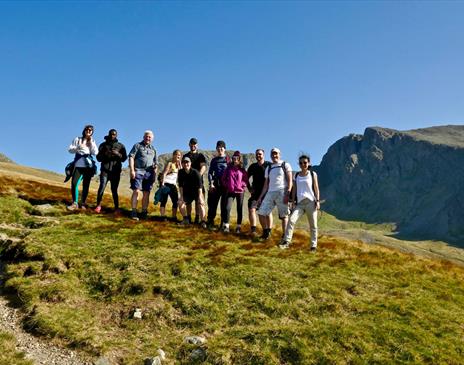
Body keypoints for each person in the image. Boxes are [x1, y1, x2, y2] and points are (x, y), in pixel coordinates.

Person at [280, 155, 320, 250]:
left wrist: (317, 201)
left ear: (308, 163)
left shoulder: (312, 174)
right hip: (300, 204)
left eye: (305, 162)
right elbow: (294, 190)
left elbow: (316, 188)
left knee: (313, 225)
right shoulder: (296, 175)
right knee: (291, 220)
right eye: (301, 163)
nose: (303, 164)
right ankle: (286, 242)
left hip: (310, 202)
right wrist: (293, 201)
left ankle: (313, 246)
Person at [257, 148, 293, 240]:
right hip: (270, 192)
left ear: (279, 154)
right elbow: (266, 184)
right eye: (272, 154)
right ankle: (266, 233)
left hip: (282, 191)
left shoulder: (285, 165)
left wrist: (288, 193)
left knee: (284, 216)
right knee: (261, 212)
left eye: (276, 153)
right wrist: (260, 197)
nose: (274, 155)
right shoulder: (269, 168)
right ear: (270, 155)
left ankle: (285, 237)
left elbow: (290, 181)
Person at [94, 129, 127, 214]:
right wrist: (105, 154)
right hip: (105, 170)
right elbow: (98, 158)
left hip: (115, 172)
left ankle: (116, 208)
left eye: (114, 134)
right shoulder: (103, 145)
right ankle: (98, 206)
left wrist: (117, 154)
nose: (112, 136)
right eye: (111, 134)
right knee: (102, 187)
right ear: (108, 134)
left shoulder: (121, 146)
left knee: (114, 190)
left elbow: (124, 158)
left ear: (116, 135)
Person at [67, 125, 98, 211]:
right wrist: (77, 148)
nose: (88, 131)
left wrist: (91, 142)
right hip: (78, 165)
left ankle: (83, 203)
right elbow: (70, 150)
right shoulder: (77, 139)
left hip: (88, 166)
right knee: (74, 183)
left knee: (86, 185)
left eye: (90, 130)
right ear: (84, 130)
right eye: (87, 129)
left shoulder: (92, 141)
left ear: (92, 132)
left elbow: (95, 152)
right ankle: (75, 203)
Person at [128, 130, 157, 220]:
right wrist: (132, 170)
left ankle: (144, 212)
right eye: (146, 136)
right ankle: (133, 211)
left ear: (152, 139)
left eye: (150, 137)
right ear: (143, 137)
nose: (148, 138)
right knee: (136, 191)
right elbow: (131, 157)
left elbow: (155, 163)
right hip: (138, 170)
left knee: (146, 193)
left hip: (149, 173)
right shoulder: (137, 145)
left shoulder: (153, 149)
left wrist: (154, 174)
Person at [221, 151, 248, 233]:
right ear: (232, 159)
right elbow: (223, 179)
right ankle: (226, 226)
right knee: (227, 208)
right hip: (231, 191)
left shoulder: (242, 170)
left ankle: (238, 227)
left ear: (239, 159)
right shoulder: (228, 169)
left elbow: (245, 180)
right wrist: (227, 185)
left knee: (239, 209)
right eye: (233, 158)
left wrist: (242, 186)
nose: (235, 159)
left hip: (240, 192)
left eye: (237, 158)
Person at [247, 149, 272, 237]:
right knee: (252, 208)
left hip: (267, 192)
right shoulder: (253, 166)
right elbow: (246, 177)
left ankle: (268, 231)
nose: (258, 156)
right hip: (256, 193)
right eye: (257, 154)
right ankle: (253, 230)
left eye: (260, 154)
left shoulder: (269, 165)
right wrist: (249, 188)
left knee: (267, 212)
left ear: (263, 155)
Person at [183, 138, 207, 224]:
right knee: (188, 202)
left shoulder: (200, 156)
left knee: (199, 201)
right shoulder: (185, 156)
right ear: (189, 144)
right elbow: (183, 167)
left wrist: (198, 176)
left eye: (195, 144)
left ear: (197, 145)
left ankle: (198, 218)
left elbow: (203, 166)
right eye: (191, 144)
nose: (193, 145)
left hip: (198, 183)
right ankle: (188, 218)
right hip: (188, 183)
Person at [178, 156, 206, 227]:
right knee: (180, 203)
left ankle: (203, 221)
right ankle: (185, 220)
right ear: (182, 164)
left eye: (187, 162)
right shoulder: (180, 172)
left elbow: (200, 186)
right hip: (187, 193)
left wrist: (200, 197)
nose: (186, 164)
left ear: (190, 163)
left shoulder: (196, 172)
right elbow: (180, 186)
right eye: (184, 162)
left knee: (201, 204)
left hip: (197, 192)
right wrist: (181, 196)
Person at [207, 140, 229, 229]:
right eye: (218, 147)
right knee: (212, 204)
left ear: (224, 149)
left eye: (222, 147)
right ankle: (210, 221)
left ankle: (222, 224)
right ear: (216, 149)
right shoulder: (214, 160)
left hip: (225, 185)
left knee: (224, 206)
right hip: (215, 184)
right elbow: (210, 173)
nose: (220, 149)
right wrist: (211, 184)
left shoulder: (228, 160)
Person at [159, 149, 182, 221]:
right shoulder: (170, 163)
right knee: (164, 200)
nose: (178, 156)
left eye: (179, 155)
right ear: (173, 155)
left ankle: (173, 217)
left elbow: (181, 174)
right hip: (166, 183)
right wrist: (162, 184)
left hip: (173, 185)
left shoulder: (179, 165)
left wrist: (180, 164)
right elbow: (164, 173)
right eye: (176, 155)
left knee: (175, 201)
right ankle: (162, 216)